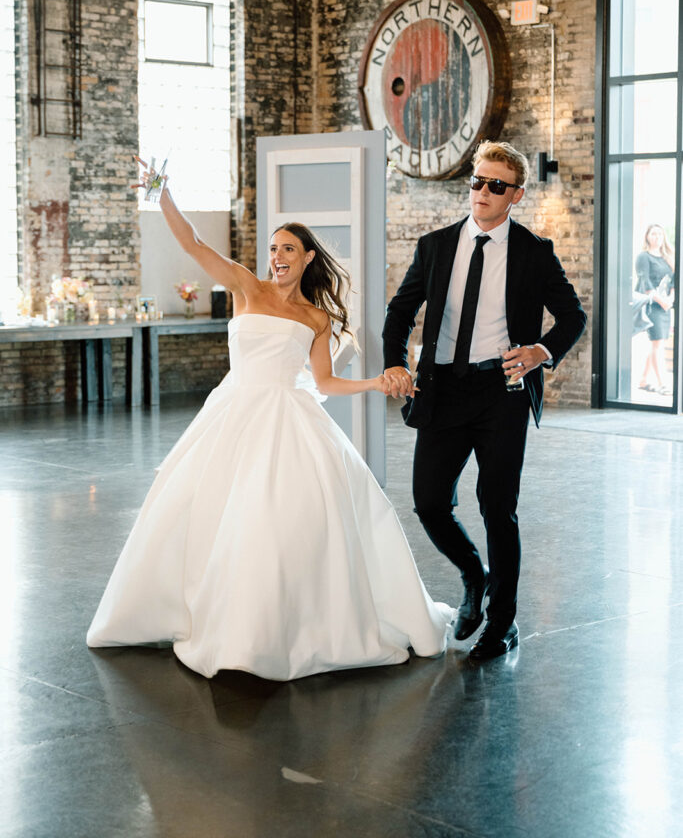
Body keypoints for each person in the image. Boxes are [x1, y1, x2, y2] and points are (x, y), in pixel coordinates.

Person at [87, 171, 453, 680]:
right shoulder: (246, 286)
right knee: (206, 511)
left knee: (280, 519)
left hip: (289, 419)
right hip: (232, 413)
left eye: (288, 249)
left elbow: (323, 381)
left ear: (307, 259)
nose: (277, 256)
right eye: (274, 248)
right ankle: (202, 613)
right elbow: (192, 243)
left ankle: (282, 627)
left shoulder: (317, 318)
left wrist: (373, 384)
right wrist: (163, 192)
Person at [382, 140, 586, 661]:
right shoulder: (435, 247)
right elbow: (400, 312)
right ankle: (476, 575)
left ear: (515, 195)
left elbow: (573, 317)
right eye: (478, 181)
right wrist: (395, 363)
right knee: (429, 503)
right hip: (442, 391)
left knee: (499, 508)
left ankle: (503, 624)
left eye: (497, 185)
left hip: (502, 395)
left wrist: (541, 351)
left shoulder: (535, 253)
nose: (483, 192)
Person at [635, 223, 674, 396]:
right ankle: (662, 383)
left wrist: (670, 299)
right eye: (653, 234)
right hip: (652, 305)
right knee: (657, 343)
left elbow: (674, 279)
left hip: (665, 305)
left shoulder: (667, 257)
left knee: (658, 343)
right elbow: (645, 283)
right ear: (647, 236)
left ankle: (643, 380)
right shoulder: (644, 257)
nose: (657, 237)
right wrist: (661, 301)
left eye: (659, 234)